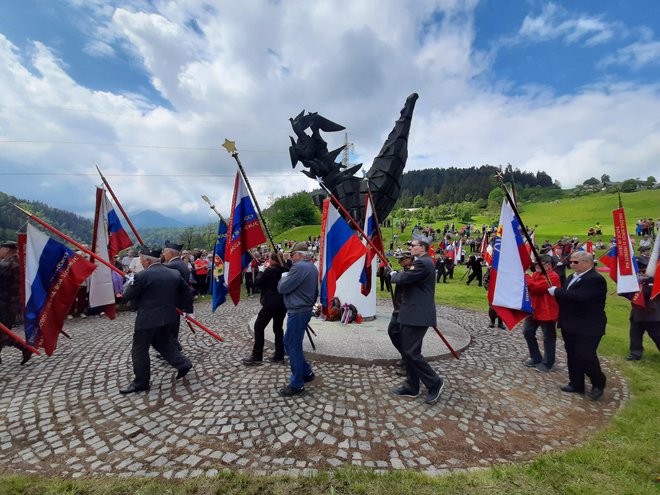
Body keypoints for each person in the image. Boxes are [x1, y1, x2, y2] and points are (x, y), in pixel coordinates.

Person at [119, 246, 193, 394]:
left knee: (139, 349)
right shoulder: (174, 273)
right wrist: (185, 309)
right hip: (169, 316)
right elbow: (188, 292)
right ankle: (183, 363)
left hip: (148, 319)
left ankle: (141, 381)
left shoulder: (142, 276)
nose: (141, 262)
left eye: (141, 260)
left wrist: (128, 286)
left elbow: (127, 296)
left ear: (147, 261)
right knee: (162, 343)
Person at [389, 234, 444, 404]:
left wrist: (393, 274)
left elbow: (403, 278)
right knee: (410, 351)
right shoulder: (421, 262)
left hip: (417, 315)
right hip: (411, 313)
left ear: (422, 247)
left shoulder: (423, 262)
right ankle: (412, 386)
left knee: (411, 352)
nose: (410, 248)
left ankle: (435, 382)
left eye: (413, 245)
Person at [548, 251, 607, 401]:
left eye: (575, 262)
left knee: (586, 354)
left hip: (588, 325)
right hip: (570, 323)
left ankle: (598, 383)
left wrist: (557, 291)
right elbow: (567, 299)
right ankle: (576, 383)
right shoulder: (571, 277)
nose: (571, 264)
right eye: (571, 262)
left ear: (588, 263)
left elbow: (580, 297)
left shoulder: (595, 279)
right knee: (572, 354)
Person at [276, 242, 319, 397]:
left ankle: (297, 384)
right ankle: (306, 373)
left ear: (299, 254)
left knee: (292, 346)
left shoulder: (299, 267)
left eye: (292, 254)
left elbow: (282, 288)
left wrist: (283, 278)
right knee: (289, 343)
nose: (291, 256)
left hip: (298, 310)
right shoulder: (312, 267)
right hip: (304, 309)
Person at [242, 251, 288, 366]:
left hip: (270, 303)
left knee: (259, 326)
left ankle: (257, 356)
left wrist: (261, 271)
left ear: (273, 260)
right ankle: (279, 355)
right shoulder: (284, 269)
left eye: (269, 258)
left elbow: (256, 283)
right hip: (282, 304)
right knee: (278, 329)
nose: (268, 260)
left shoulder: (269, 271)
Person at [522, 255, 560, 372]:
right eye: (536, 264)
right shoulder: (536, 274)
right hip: (535, 309)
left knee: (548, 337)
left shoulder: (553, 277)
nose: (536, 266)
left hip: (547, 311)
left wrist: (525, 275)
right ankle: (535, 356)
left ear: (548, 265)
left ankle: (548, 363)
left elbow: (535, 287)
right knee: (527, 332)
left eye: (540, 264)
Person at [0, 241, 32, 365]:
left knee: (3, 333)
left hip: (5, 303)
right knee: (3, 331)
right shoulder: (17, 262)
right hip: (11, 303)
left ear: (6, 249)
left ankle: (25, 348)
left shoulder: (7, 264)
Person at [387, 250, 414, 376]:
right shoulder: (402, 271)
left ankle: (409, 365)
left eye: (402, 259)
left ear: (409, 259)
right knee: (393, 332)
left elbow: (401, 279)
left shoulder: (413, 270)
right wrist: (387, 270)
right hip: (398, 308)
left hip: (407, 309)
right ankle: (404, 355)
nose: (399, 262)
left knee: (408, 338)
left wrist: (395, 275)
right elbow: (393, 276)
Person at [626, 265, 660, 361]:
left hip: (651, 314)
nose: (641, 273)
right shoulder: (637, 281)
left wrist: (641, 283)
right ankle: (635, 354)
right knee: (635, 334)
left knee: (657, 336)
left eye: (642, 271)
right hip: (637, 312)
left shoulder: (655, 280)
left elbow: (648, 292)